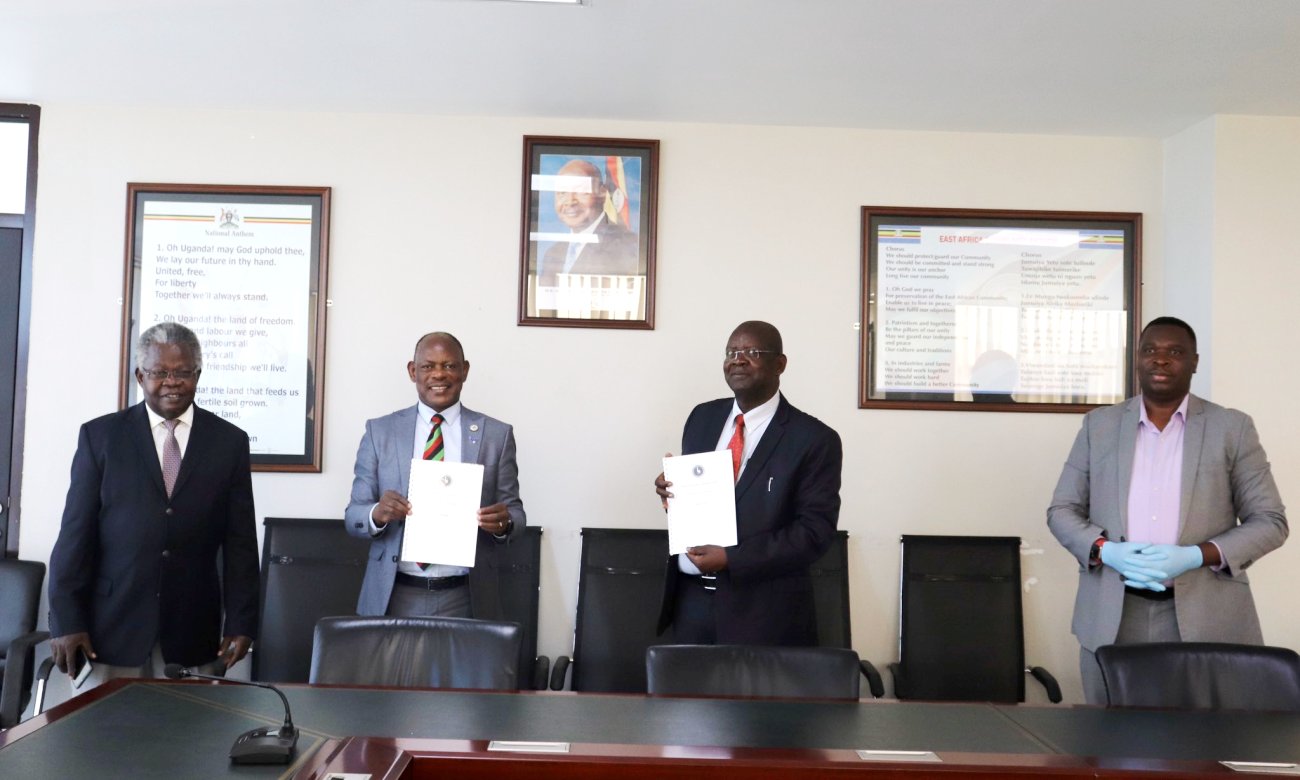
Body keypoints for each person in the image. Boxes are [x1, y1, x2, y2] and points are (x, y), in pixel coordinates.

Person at [1047, 316, 1288, 704]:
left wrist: (1196, 555)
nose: (1160, 360)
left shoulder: (1232, 427)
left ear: (1194, 361)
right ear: (1137, 360)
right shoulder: (1100, 426)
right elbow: (1062, 509)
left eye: (1174, 352)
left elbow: (1270, 521)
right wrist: (1106, 550)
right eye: (1150, 351)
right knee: (1109, 748)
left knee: (1205, 751)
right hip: (1113, 614)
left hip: (1205, 617)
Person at [47, 322, 259, 690]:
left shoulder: (229, 443)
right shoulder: (101, 437)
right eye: (160, 372)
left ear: (198, 374)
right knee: (104, 740)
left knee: (188, 742)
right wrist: (67, 620)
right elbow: (74, 536)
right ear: (140, 375)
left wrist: (241, 623)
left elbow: (240, 543)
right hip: (109, 632)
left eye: (183, 372)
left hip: (193, 630)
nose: (172, 382)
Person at [654, 320, 842, 645]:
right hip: (690, 603)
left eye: (752, 352)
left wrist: (732, 559)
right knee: (685, 697)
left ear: (780, 364)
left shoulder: (813, 439)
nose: (738, 359)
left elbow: (814, 533)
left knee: (748, 699)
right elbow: (700, 498)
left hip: (762, 616)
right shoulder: (702, 418)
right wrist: (671, 490)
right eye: (731, 352)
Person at [346, 332, 525, 618]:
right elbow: (353, 515)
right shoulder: (380, 432)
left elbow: (515, 514)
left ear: (464, 371)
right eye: (428, 366)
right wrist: (377, 514)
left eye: (450, 366)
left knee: (466, 666)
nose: (439, 374)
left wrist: (504, 524)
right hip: (394, 594)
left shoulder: (496, 435)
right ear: (412, 371)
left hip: (467, 595)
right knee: (393, 666)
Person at [536, 159, 640, 286]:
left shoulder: (629, 246)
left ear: (602, 193)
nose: (570, 201)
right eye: (562, 193)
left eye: (581, 191)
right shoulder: (553, 253)